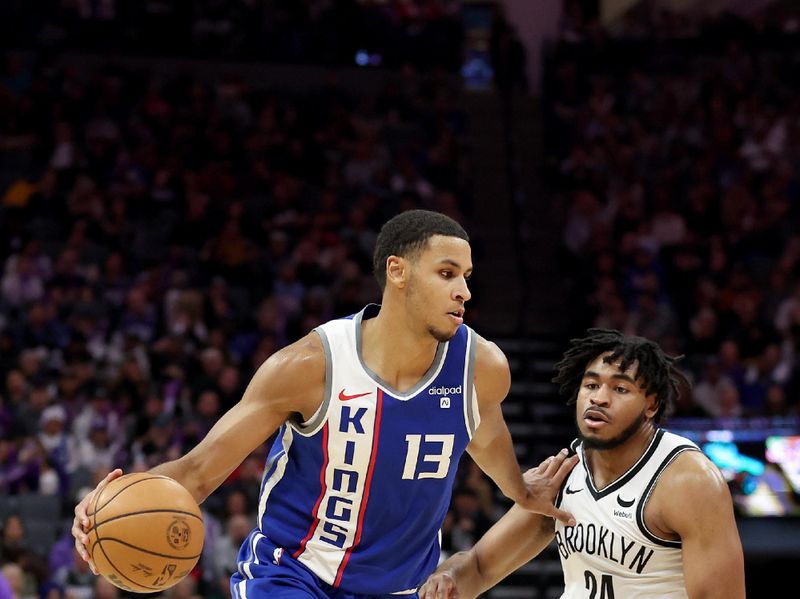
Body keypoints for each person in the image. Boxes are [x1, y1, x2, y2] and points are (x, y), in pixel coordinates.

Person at [72, 209, 577, 597]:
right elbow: (199, 472)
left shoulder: (481, 367)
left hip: (400, 587)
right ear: (397, 272)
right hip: (291, 576)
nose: (464, 290)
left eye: (466, 276)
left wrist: (519, 488)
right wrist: (102, 511)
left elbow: (484, 439)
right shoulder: (310, 365)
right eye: (447, 273)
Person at [420, 328, 746, 599]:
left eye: (619, 388)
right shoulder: (565, 473)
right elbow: (479, 566)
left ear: (651, 406)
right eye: (591, 385)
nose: (598, 398)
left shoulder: (688, 480)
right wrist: (447, 577)